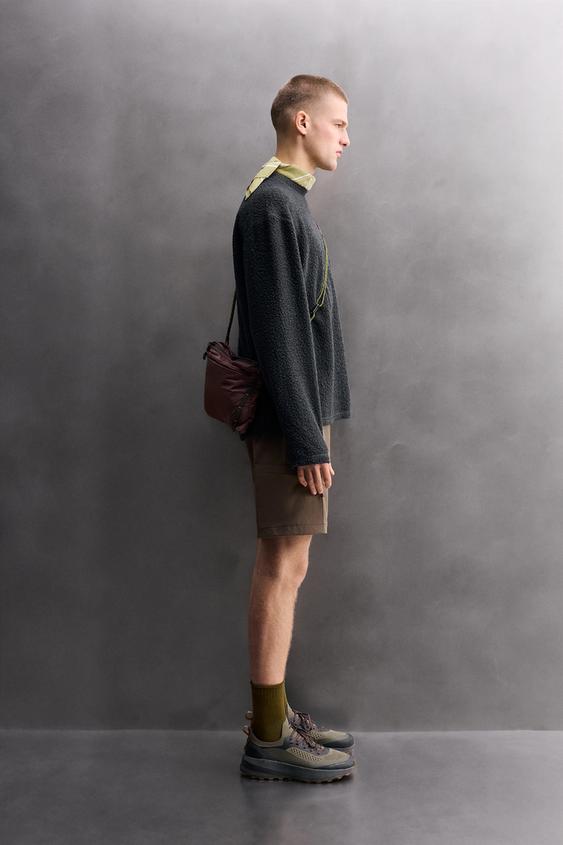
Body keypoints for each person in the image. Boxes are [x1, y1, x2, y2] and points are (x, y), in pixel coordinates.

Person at [231, 75, 356, 783]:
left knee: (289, 565)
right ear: (301, 122)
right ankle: (269, 740)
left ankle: (273, 719)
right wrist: (306, 438)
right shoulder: (275, 206)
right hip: (290, 421)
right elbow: (279, 334)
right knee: (280, 568)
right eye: (338, 123)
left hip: (298, 413)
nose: (346, 138)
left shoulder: (286, 201)